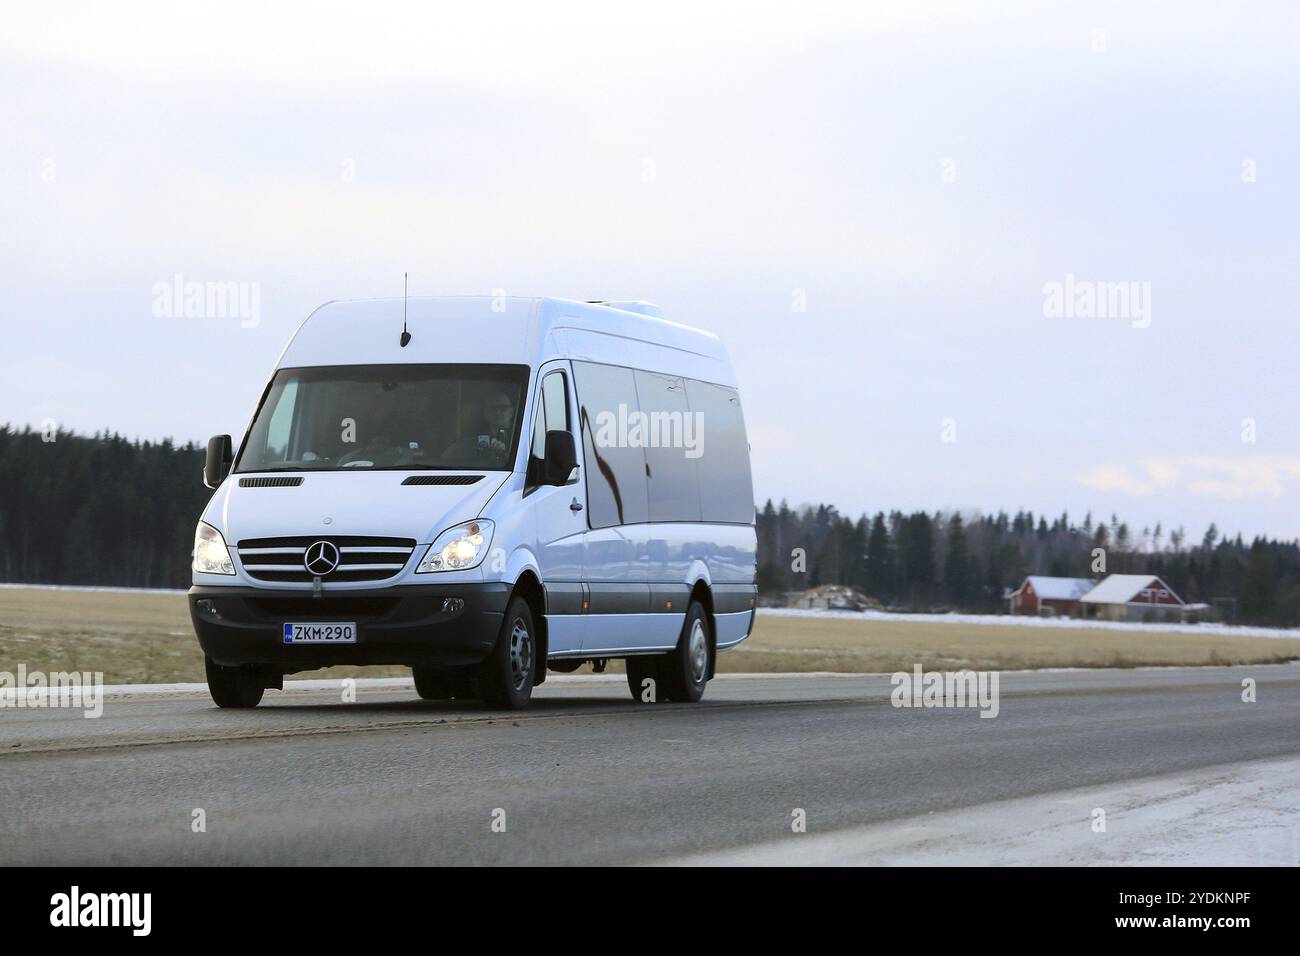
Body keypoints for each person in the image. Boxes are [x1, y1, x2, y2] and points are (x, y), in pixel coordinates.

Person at [440, 391, 517, 466]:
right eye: (492, 408)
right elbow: (449, 455)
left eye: (503, 408)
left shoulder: (520, 436)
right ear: (485, 413)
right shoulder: (475, 438)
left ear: (511, 412)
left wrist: (505, 453)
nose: (498, 412)